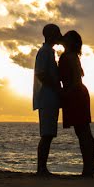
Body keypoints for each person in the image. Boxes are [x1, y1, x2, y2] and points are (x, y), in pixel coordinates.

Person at [58, 30, 94, 177]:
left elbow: (75, 80)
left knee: (83, 131)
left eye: (66, 37)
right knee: (82, 131)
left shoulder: (69, 57)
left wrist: (64, 95)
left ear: (71, 42)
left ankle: (89, 165)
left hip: (76, 94)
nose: (63, 38)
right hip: (75, 93)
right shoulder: (70, 56)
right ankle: (89, 164)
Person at [33, 23, 62, 176]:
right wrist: (56, 87)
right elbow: (41, 73)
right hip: (47, 98)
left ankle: (42, 168)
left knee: (48, 134)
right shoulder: (44, 52)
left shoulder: (50, 52)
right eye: (57, 33)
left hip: (51, 98)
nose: (59, 36)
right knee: (46, 134)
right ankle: (41, 168)